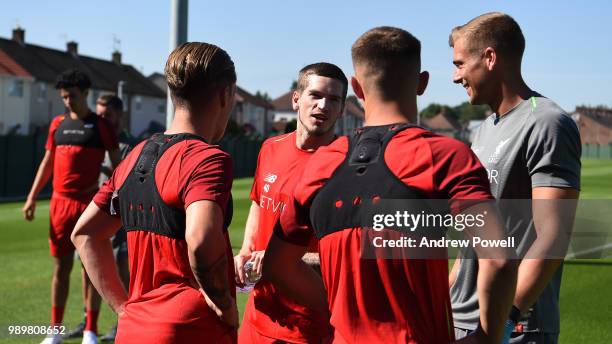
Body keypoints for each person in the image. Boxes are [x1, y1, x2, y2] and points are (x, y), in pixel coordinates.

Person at [263, 26, 518, 344]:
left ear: (356, 87)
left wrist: (339, 311)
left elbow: (276, 265)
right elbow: (499, 260)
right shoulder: (444, 156)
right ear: (422, 83)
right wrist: (486, 338)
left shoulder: (319, 166)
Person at [71, 42, 238, 344]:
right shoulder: (208, 159)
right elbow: (200, 242)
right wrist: (225, 306)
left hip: (135, 330)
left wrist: (123, 309)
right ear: (225, 94)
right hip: (191, 329)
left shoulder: (133, 157)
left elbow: (84, 234)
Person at [448, 12, 581, 344]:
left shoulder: (546, 122)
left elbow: (554, 235)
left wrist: (505, 321)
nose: (455, 76)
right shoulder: (482, 130)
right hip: (462, 321)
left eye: (461, 64)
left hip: (514, 329)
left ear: (490, 58)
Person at [235, 62, 347, 343]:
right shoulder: (270, 148)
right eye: (316, 95)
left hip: (310, 323)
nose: (323, 106)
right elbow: (259, 204)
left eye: (334, 100)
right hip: (258, 315)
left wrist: (281, 260)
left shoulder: (348, 166)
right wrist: (246, 252)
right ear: (296, 99)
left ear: (343, 109)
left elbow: (351, 254)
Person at [23, 69, 121, 344]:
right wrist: (32, 197)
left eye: (72, 96)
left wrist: (115, 199)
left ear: (85, 93)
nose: (67, 101)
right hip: (59, 204)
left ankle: (90, 329)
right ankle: (54, 331)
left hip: (88, 205)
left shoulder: (101, 126)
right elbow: (47, 163)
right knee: (61, 267)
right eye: (64, 97)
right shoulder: (57, 125)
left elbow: (118, 168)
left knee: (89, 268)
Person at [96, 95, 133, 342]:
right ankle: (88, 322)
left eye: (107, 116)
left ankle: (126, 322)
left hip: (120, 219)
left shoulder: (130, 146)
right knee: (91, 269)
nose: (102, 121)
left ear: (120, 116)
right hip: (97, 217)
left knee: (122, 272)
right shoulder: (95, 142)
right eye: (99, 116)